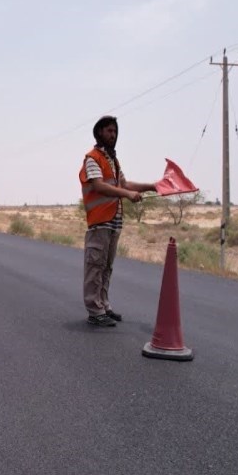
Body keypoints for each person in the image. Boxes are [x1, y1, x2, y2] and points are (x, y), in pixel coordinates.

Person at [79, 116, 156, 327]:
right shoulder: (93, 158)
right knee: (95, 266)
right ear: (99, 133)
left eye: (115, 131)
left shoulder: (113, 160)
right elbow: (98, 186)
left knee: (106, 267)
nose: (113, 135)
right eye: (109, 131)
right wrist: (126, 194)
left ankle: (103, 305)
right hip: (100, 221)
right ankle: (95, 311)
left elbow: (125, 183)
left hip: (113, 222)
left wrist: (151, 186)